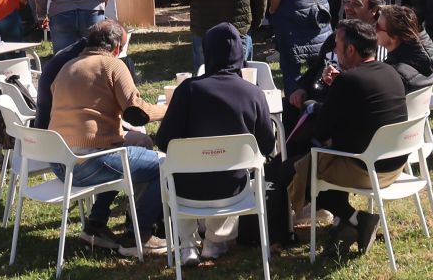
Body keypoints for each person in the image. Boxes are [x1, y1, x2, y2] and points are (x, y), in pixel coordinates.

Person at [153, 21, 275, 265]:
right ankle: (215, 241)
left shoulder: (187, 91)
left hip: (186, 192)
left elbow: (164, 141)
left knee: (175, 167)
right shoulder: (254, 94)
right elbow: (267, 145)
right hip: (233, 192)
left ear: (207, 53)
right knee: (232, 169)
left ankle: (187, 244)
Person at [282, 18, 409, 254]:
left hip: (365, 169)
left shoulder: (349, 81)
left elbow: (321, 131)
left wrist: (318, 102)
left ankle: (355, 219)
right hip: (396, 164)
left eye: (337, 47)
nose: (335, 52)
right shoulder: (390, 72)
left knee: (299, 169)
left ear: (351, 49)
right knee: (318, 160)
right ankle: (351, 224)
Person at [47, 18, 166, 255]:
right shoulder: (112, 65)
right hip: (90, 161)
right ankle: (138, 235)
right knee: (165, 164)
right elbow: (137, 113)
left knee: (135, 145)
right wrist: (170, 109)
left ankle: (95, 226)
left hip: (61, 162)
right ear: (115, 48)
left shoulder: (68, 66)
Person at [374, 4, 433, 91]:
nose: (373, 29)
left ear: (393, 37)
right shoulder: (429, 50)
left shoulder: (396, 74)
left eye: (377, 26)